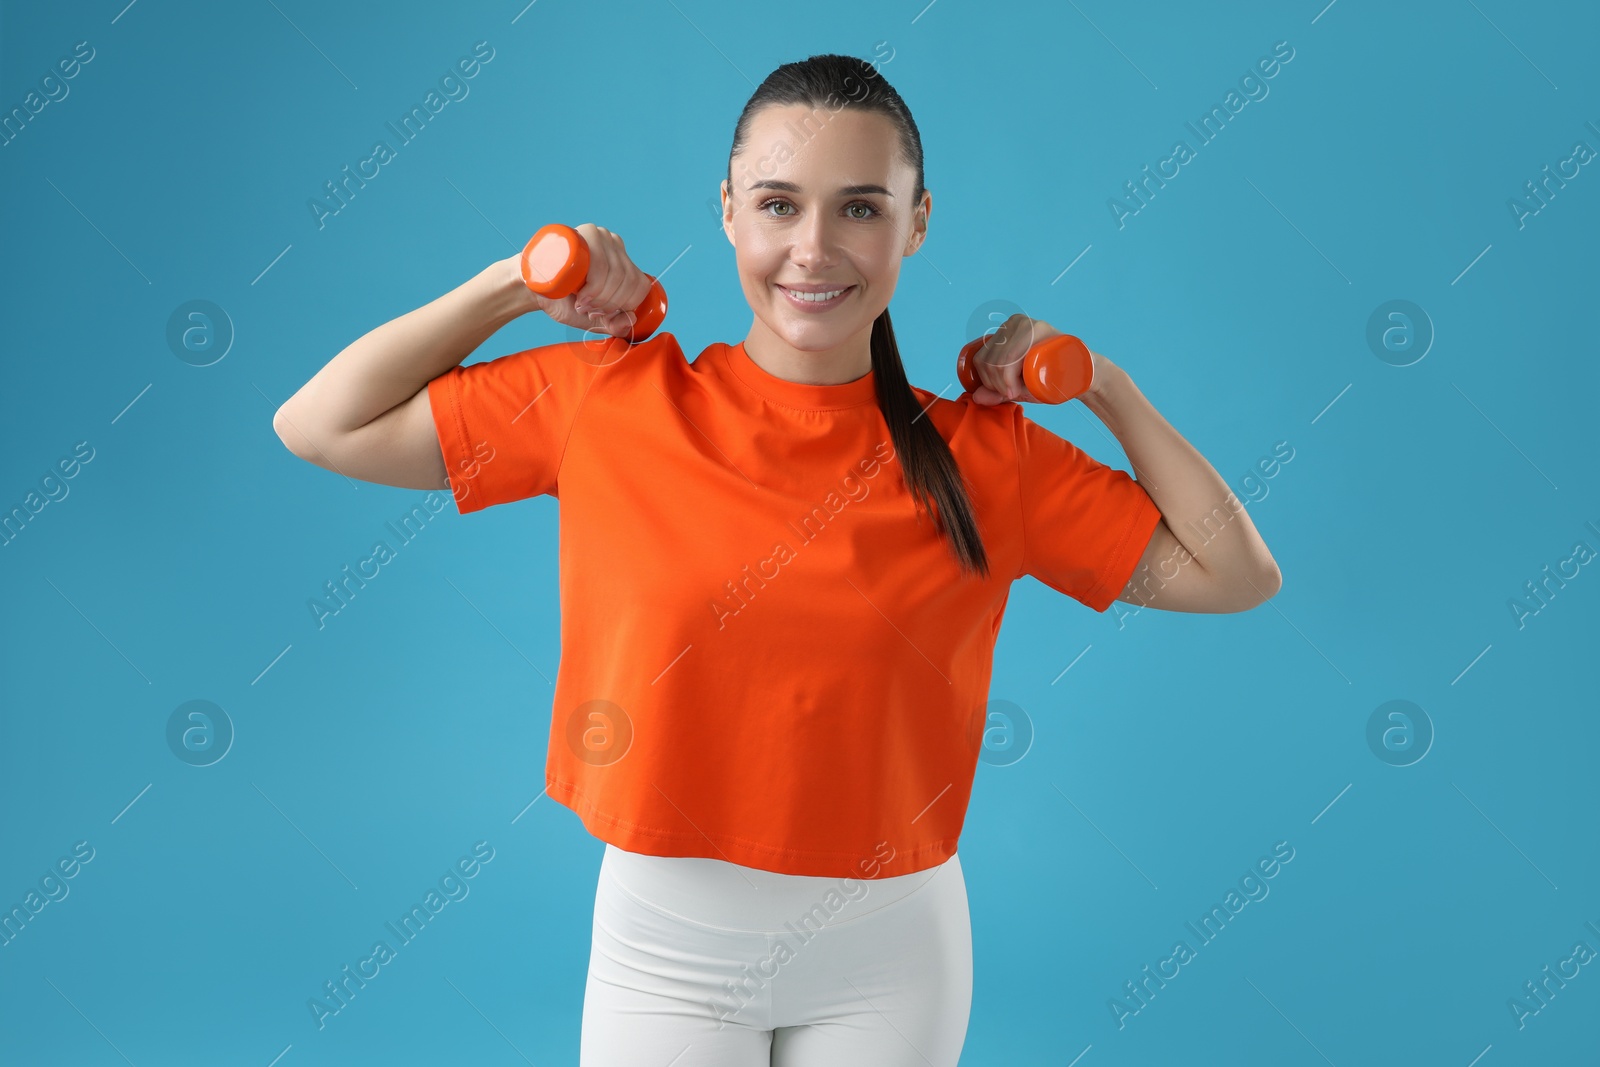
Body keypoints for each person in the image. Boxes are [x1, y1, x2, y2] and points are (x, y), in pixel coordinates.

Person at [273, 51, 1281, 1067]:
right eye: (777, 203)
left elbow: (1235, 572)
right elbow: (319, 423)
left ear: (916, 222)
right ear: (727, 211)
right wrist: (517, 284)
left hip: (890, 955)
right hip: (665, 945)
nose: (812, 248)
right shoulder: (609, 403)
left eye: (858, 209)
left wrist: (1099, 383)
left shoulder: (984, 454)